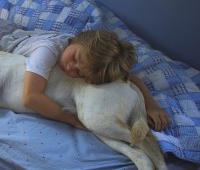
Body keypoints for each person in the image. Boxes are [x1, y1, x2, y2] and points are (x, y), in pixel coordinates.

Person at [0, 29, 170, 131]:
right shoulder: (47, 51)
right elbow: (31, 97)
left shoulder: (89, 59)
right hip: (7, 40)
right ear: (77, 40)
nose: (70, 68)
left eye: (79, 73)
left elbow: (130, 77)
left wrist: (151, 105)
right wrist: (73, 120)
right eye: (75, 57)